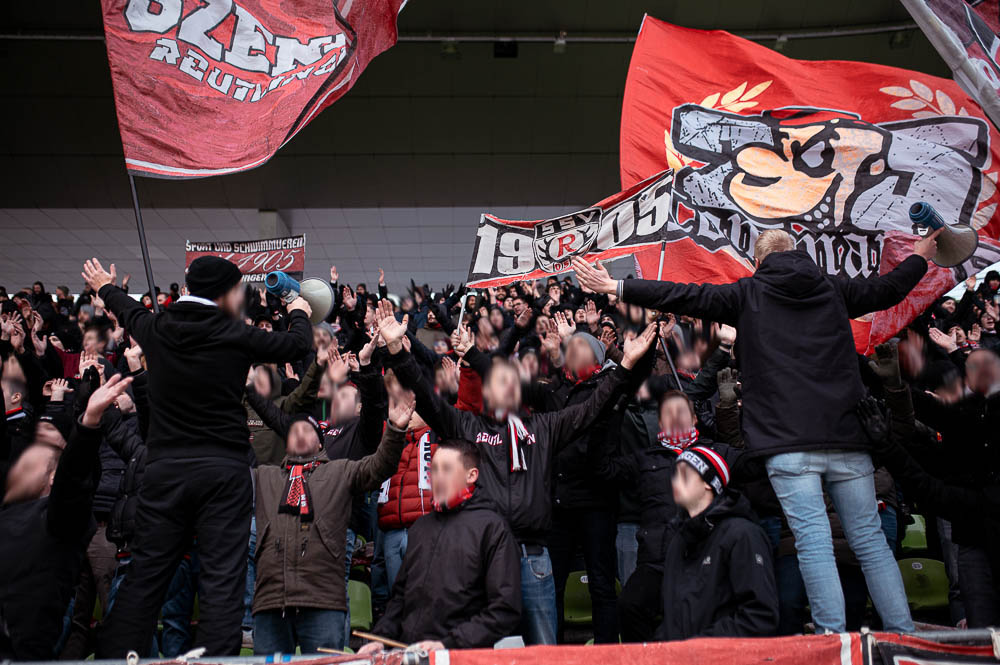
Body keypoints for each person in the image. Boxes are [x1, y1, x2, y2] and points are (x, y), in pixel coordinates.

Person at [572, 227, 940, 634]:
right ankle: (904, 635)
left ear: (758, 262)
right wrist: (921, 255)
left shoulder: (748, 293)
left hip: (787, 443)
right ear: (797, 254)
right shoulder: (833, 288)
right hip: (846, 435)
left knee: (813, 543)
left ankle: (832, 639)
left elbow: (681, 294)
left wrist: (616, 285)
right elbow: (889, 289)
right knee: (870, 542)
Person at [375, 299, 655, 645]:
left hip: (533, 558)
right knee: (486, 649)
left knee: (541, 651)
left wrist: (625, 365)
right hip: (481, 558)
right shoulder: (466, 425)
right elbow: (428, 399)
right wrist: (395, 351)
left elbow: (593, 409)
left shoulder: (544, 427)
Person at [86, 256, 314, 657]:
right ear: (227, 293)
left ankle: (116, 656)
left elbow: (127, 308)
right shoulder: (235, 332)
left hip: (165, 470)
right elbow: (296, 344)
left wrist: (106, 285)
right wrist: (297, 312)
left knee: (146, 575)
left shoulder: (157, 326)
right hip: (223, 472)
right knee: (221, 581)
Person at [250, 392, 413, 654]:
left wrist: (394, 430)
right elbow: (227, 479)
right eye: (294, 430)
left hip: (323, 599)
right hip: (271, 602)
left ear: (320, 443)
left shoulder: (341, 471)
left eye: (308, 430)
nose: (300, 434)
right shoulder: (264, 477)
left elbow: (380, 466)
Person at [0, 374, 133, 659]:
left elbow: (73, 480)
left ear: (52, 478)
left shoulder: (58, 521)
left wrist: (89, 422)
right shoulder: (9, 511)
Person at [360, 439, 521, 654]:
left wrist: (448, 644)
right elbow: (400, 598)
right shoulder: (421, 527)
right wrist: (380, 638)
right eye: (433, 469)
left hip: (460, 655)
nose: (437, 477)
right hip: (414, 654)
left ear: (471, 475)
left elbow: (504, 609)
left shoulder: (492, 528)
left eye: (447, 469)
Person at [655, 445, 778, 640]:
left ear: (709, 482)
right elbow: (671, 617)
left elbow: (759, 616)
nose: (676, 482)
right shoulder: (678, 541)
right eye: (674, 475)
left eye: (685, 474)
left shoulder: (743, 535)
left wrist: (699, 648)